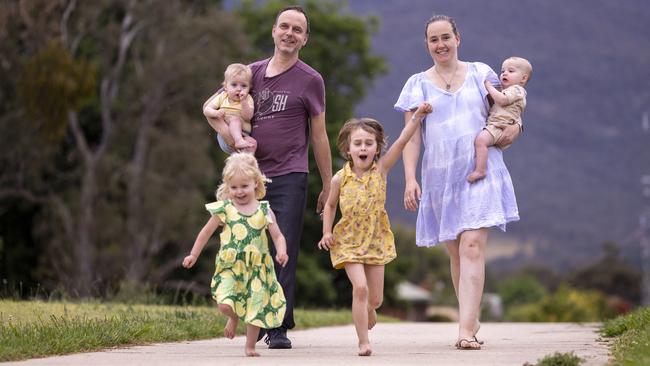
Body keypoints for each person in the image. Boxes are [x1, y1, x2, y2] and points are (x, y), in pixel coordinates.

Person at [202, 6, 332, 349]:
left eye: (298, 29)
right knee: (244, 248)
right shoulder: (250, 73)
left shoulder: (310, 79)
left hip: (290, 173)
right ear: (274, 31)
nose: (290, 33)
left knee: (280, 247)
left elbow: (318, 135)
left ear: (305, 38)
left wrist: (328, 184)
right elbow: (214, 108)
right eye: (284, 26)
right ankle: (252, 321)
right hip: (249, 179)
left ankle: (277, 326)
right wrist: (231, 139)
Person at [395, 14, 521, 350]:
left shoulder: (483, 74)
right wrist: (409, 178)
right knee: (455, 252)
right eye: (434, 39)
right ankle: (470, 317)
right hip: (439, 176)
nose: (440, 45)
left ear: (458, 38)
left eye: (446, 37)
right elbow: (411, 137)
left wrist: (513, 130)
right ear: (427, 45)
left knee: (471, 246)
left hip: (481, 168)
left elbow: (509, 113)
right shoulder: (416, 84)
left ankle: (465, 331)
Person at [318, 103, 432, 356]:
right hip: (347, 240)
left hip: (375, 239)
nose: (363, 148)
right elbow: (330, 205)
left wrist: (417, 117)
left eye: (369, 143)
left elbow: (402, 141)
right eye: (357, 143)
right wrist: (327, 232)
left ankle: (370, 309)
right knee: (360, 288)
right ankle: (363, 341)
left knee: (376, 299)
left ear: (377, 148)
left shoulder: (381, 170)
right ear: (348, 149)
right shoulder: (340, 178)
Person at [181, 153, 289, 357]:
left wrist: (281, 251)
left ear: (256, 184)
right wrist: (193, 255)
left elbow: (278, 235)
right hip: (230, 267)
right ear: (227, 187)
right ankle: (233, 317)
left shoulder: (264, 210)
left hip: (257, 269)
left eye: (244, 186)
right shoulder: (225, 209)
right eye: (234, 187)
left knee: (255, 308)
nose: (239, 192)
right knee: (224, 304)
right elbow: (205, 233)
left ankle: (250, 347)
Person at [468, 56, 532, 183]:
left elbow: (502, 100)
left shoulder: (517, 90)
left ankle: (480, 170)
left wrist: (488, 86)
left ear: (523, 78)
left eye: (511, 71)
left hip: (500, 126)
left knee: (481, 141)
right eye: (503, 71)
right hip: (496, 125)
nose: (504, 73)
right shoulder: (508, 90)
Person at [204, 63, 257, 154]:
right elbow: (206, 109)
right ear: (225, 87)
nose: (239, 89)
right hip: (225, 134)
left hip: (244, 134)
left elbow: (248, 117)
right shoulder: (222, 97)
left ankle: (245, 161)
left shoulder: (248, 99)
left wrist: (244, 102)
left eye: (243, 86)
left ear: (249, 88)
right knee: (235, 120)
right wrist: (215, 113)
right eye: (234, 85)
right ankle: (238, 141)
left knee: (253, 143)